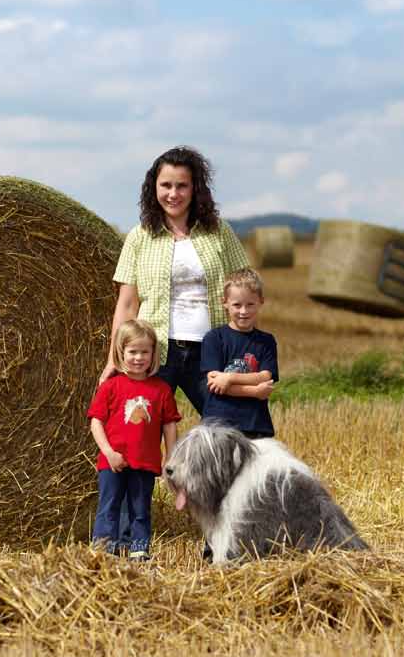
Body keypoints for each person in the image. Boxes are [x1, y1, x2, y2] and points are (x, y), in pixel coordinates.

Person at [102, 146, 248, 548]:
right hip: (156, 353)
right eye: (166, 185)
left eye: (182, 185)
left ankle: (223, 532)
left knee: (225, 437)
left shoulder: (219, 233)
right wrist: (114, 359)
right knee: (139, 443)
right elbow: (128, 304)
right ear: (154, 189)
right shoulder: (140, 237)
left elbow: (242, 289)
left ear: (195, 188)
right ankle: (134, 539)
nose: (173, 193)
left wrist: (246, 348)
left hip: (211, 354)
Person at [87, 319, 180, 560]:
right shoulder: (111, 387)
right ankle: (105, 550)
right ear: (121, 352)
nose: (139, 358)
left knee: (140, 509)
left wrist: (171, 456)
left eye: (145, 352)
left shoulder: (161, 390)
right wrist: (108, 452)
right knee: (109, 508)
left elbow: (169, 424)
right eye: (133, 352)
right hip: (112, 460)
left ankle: (138, 549)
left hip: (145, 461)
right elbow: (96, 421)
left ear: (153, 354)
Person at [200, 267, 278, 439]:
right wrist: (255, 392)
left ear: (261, 302)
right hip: (219, 425)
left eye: (250, 304)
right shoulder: (214, 338)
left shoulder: (266, 341)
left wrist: (229, 378)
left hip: (256, 424)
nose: (244, 311)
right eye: (237, 305)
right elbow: (216, 386)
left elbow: (265, 376)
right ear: (225, 303)